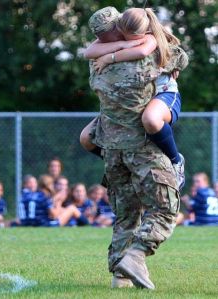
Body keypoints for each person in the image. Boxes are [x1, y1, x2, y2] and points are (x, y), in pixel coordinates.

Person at [85, 7, 186, 289]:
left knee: (126, 212)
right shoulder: (149, 54)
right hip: (143, 146)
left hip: (112, 148)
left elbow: (91, 51)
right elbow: (180, 56)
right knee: (165, 209)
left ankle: (121, 275)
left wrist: (114, 51)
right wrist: (148, 39)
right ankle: (136, 256)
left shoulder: (95, 63)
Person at [83, 8, 188, 189]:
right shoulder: (122, 33)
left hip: (163, 94)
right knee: (86, 138)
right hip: (127, 106)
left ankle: (175, 161)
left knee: (151, 119)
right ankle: (121, 160)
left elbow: (142, 52)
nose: (103, 39)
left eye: (106, 34)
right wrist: (122, 45)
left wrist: (110, 57)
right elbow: (88, 52)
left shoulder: (147, 37)